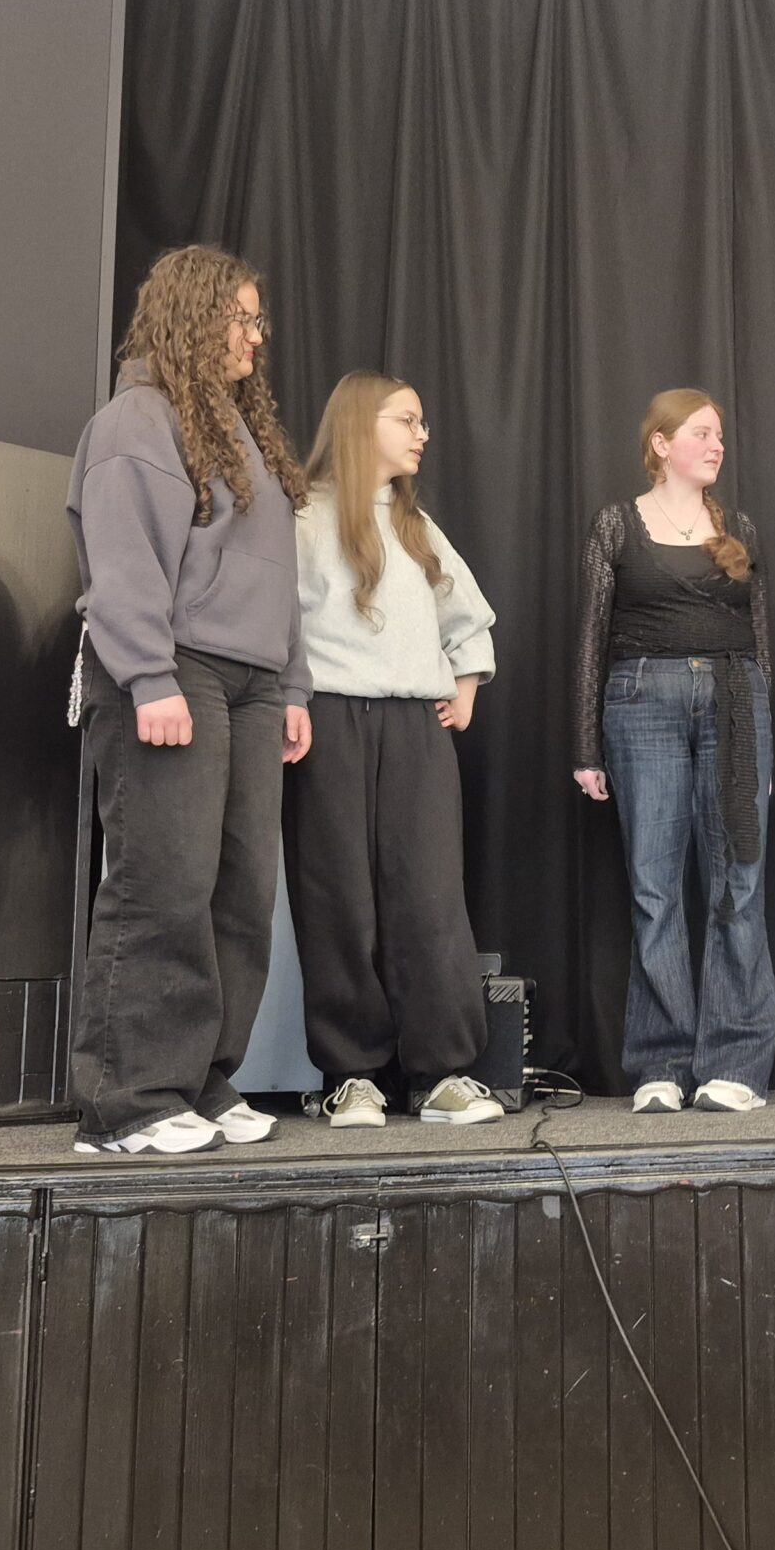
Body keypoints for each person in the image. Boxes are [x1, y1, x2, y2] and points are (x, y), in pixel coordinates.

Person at [65, 244, 312, 1154]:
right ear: (192, 318)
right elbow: (123, 558)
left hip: (251, 683)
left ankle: (201, 1078)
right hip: (174, 670)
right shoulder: (136, 420)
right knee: (161, 886)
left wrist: (291, 685)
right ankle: (127, 1103)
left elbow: (276, 579)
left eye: (257, 319)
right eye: (240, 318)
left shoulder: (239, 430)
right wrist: (148, 676)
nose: (256, 335)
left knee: (240, 893)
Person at [285, 371, 503, 1129]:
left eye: (423, 421)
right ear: (358, 423)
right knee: (336, 896)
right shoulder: (302, 517)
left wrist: (465, 686)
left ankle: (442, 1072)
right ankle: (352, 1075)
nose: (422, 434)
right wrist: (288, 702)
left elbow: (467, 615)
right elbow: (278, 622)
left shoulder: (416, 525)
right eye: (407, 419)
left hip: (415, 728)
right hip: (329, 722)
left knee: (429, 895)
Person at [571, 389, 775, 1114]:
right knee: (653, 886)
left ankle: (735, 1063)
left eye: (719, 435)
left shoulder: (739, 527)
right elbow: (592, 635)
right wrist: (585, 745)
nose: (717, 445)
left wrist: (765, 734)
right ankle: (659, 1063)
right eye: (701, 433)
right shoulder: (617, 524)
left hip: (735, 700)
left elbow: (760, 639)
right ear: (660, 444)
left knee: (737, 880)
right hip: (641, 701)